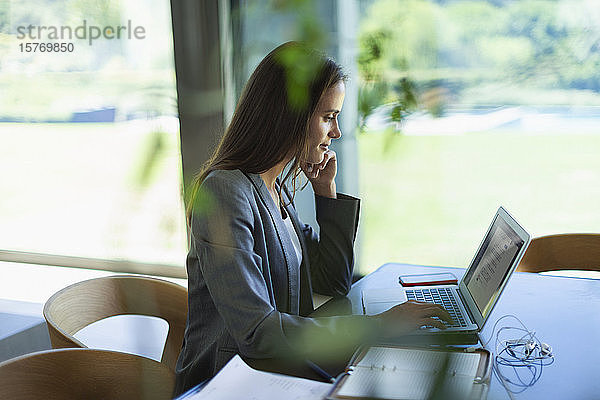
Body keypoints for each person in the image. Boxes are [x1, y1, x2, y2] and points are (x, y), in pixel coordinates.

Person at [174, 41, 451, 395]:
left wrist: (326, 193)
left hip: (279, 371)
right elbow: (258, 334)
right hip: (229, 382)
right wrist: (378, 325)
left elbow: (330, 283)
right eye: (328, 117)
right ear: (289, 116)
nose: (335, 133)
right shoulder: (226, 193)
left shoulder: (273, 187)